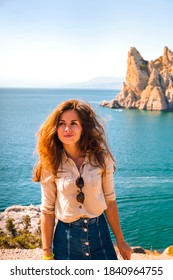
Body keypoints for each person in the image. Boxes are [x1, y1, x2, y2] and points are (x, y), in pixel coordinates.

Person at [33, 99, 132, 260]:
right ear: (55, 128)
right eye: (61, 123)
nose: (67, 129)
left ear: (83, 127)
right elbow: (47, 211)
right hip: (66, 241)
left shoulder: (101, 157)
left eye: (74, 123)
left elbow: (110, 201)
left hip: (100, 236)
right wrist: (46, 254)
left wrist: (121, 242)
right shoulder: (50, 163)